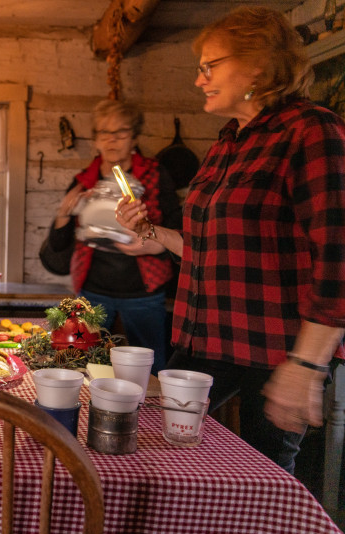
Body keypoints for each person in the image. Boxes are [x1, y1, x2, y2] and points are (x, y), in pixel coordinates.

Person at [116, 6, 345, 474]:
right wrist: (152, 233)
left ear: (258, 65)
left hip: (276, 352)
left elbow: (338, 254)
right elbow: (211, 248)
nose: (199, 79)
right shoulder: (229, 140)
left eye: (209, 66)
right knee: (168, 461)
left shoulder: (310, 130)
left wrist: (307, 365)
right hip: (202, 342)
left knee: (266, 478)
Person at [47, 99, 180, 373]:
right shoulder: (84, 181)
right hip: (92, 292)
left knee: (151, 369)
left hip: (144, 292)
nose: (112, 140)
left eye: (121, 132)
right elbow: (59, 243)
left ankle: (149, 418)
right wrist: (63, 212)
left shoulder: (155, 175)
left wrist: (151, 248)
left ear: (134, 137)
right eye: (104, 132)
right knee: (77, 365)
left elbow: (179, 233)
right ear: (95, 139)